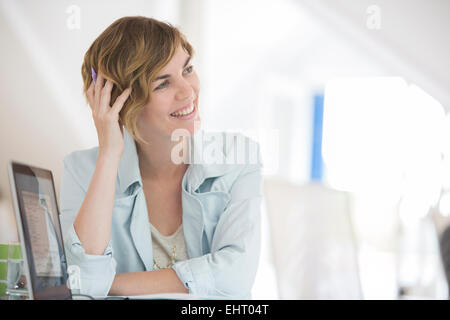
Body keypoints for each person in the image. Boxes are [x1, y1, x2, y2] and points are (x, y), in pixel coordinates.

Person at [59, 16, 263, 299]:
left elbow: (235, 278)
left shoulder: (239, 158)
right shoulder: (82, 171)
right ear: (120, 102)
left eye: (187, 69)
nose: (188, 91)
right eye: (163, 84)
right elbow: (82, 278)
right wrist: (109, 154)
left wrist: (107, 285)